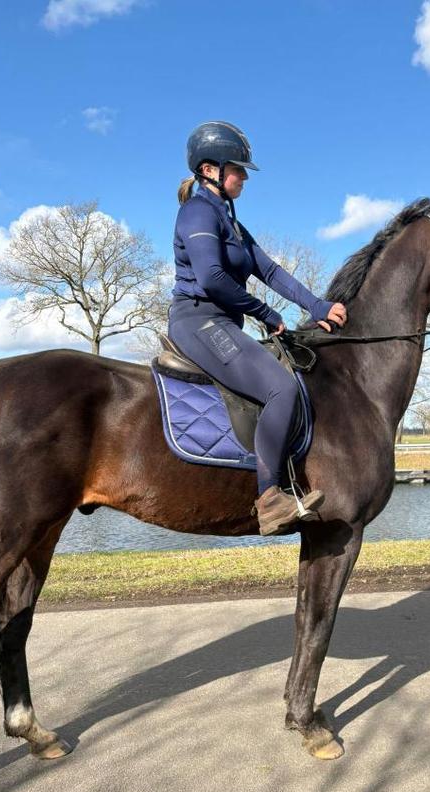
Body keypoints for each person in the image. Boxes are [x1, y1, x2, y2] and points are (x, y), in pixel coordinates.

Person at [168, 121, 347, 536]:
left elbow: (269, 269)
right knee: (280, 388)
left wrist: (317, 305)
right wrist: (268, 315)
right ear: (210, 170)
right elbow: (211, 277)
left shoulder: (228, 220)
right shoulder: (196, 211)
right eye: (238, 169)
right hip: (198, 320)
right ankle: (270, 498)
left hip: (221, 321)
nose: (244, 177)